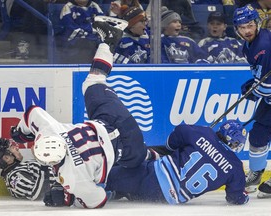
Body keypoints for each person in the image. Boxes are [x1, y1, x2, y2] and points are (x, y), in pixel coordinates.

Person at [9, 17, 157, 208]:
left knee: (140, 160)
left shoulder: (71, 177)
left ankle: (161, 156)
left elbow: (98, 200)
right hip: (112, 119)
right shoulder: (51, 130)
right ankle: (109, 42)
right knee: (94, 82)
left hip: (129, 147)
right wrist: (20, 133)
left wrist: (69, 196)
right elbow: (32, 112)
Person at [105, 120, 249, 205]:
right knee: (130, 188)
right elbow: (235, 198)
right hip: (165, 199)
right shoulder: (236, 167)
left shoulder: (204, 133)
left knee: (110, 175)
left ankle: (98, 187)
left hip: (152, 177)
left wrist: (174, 147)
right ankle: (117, 191)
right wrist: (245, 197)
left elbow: (178, 133)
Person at [233, 4, 271, 197]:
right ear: (236, 29)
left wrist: (256, 90)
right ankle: (255, 175)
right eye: (242, 27)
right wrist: (254, 84)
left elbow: (266, 86)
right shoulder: (249, 46)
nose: (246, 30)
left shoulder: (264, 46)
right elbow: (263, 77)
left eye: (249, 25)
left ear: (256, 23)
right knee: (258, 135)